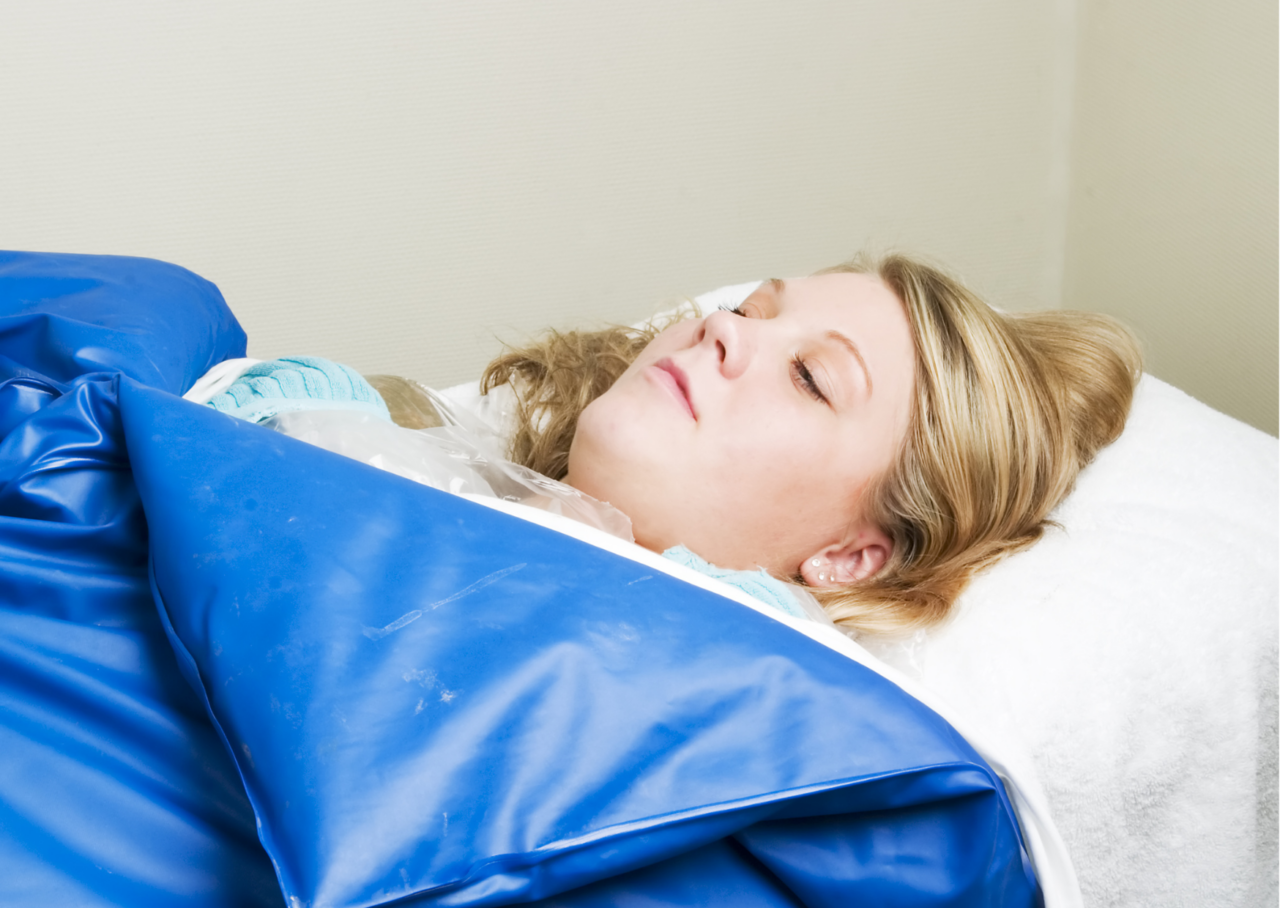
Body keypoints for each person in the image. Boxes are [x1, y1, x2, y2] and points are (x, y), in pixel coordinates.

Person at [473, 253, 1141, 635]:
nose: (723, 329)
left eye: (810, 378)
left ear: (848, 558)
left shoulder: (750, 706)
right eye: (745, 310)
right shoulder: (422, 461)